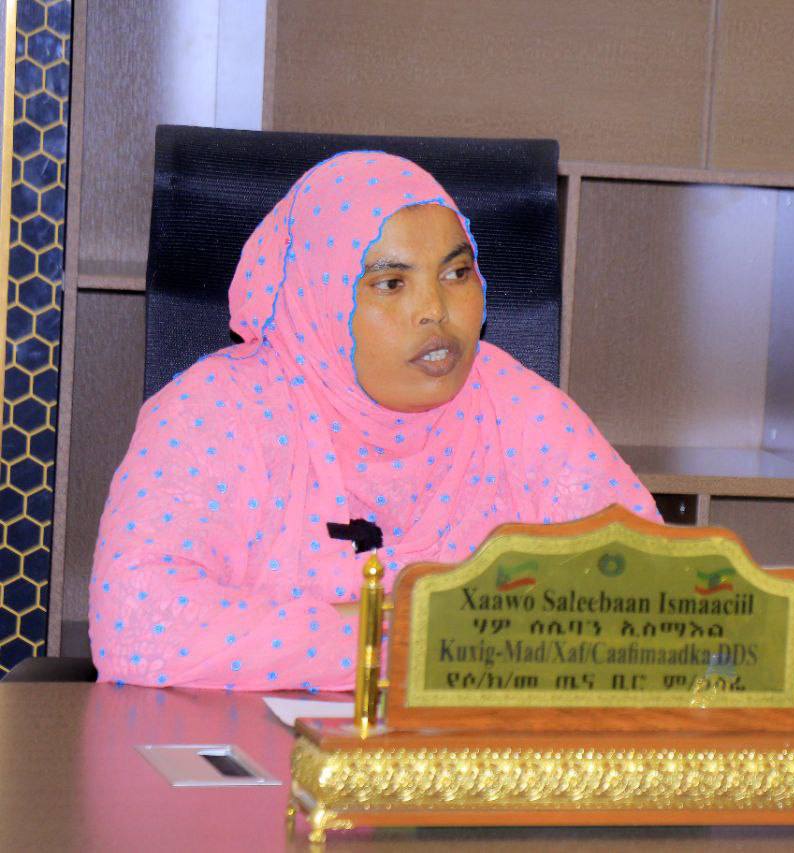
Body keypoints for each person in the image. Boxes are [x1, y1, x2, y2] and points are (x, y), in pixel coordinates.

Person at [88, 152, 659, 690]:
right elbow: (136, 623)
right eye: (391, 284)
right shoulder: (215, 412)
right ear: (320, 298)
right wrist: (417, 639)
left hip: (465, 771)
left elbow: (651, 595)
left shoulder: (514, 403)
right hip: (255, 766)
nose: (435, 309)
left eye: (457, 274)